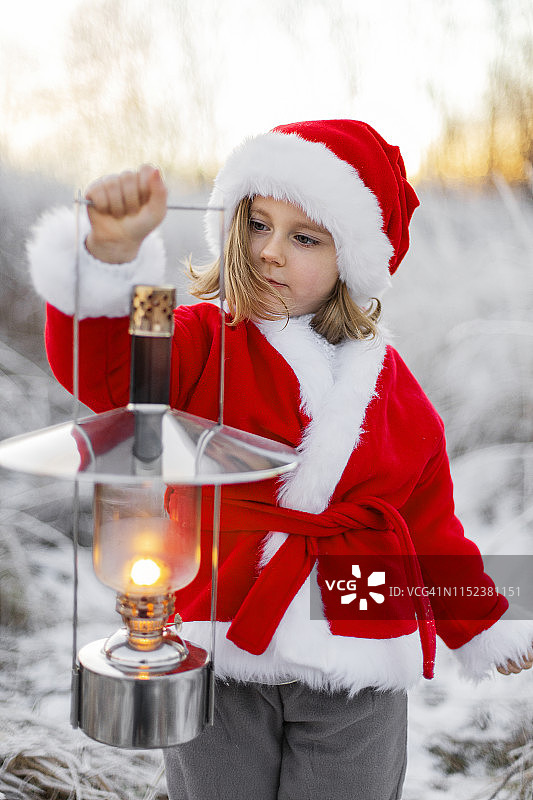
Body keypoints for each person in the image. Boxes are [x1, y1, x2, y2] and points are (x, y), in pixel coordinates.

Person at [28, 119, 533, 800]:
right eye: (257, 222)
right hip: (223, 630)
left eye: (303, 237)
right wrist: (112, 259)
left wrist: (483, 620)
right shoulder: (205, 341)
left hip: (357, 630)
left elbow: (427, 524)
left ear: (350, 262)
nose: (268, 251)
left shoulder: (390, 385)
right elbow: (110, 377)